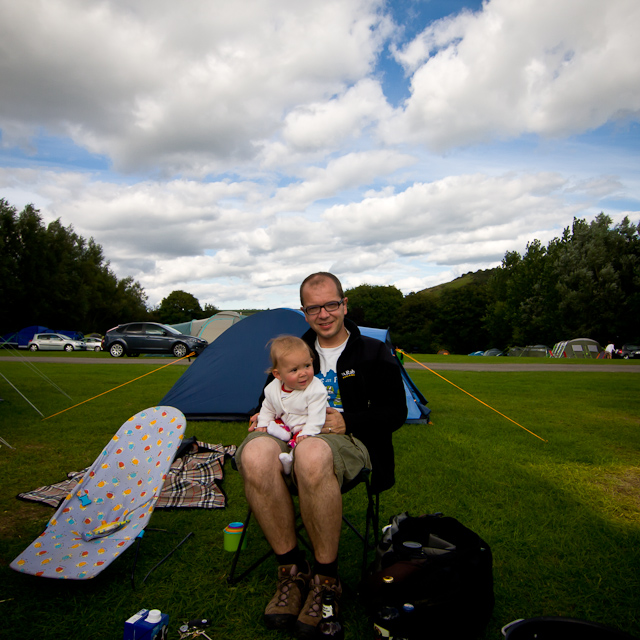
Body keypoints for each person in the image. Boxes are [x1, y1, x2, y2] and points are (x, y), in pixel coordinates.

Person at [235, 272, 407, 637]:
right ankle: (291, 572)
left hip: (349, 440)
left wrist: (349, 421)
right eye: (314, 307)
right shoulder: (293, 349)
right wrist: (260, 416)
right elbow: (270, 397)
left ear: (344, 305)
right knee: (255, 455)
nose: (324, 314)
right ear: (304, 311)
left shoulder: (373, 351)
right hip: (291, 432)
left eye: (331, 304)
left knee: (311, 453)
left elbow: (396, 412)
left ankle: (327, 580)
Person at [257, 335, 328, 475]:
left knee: (306, 446)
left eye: (307, 366)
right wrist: (263, 423)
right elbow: (267, 407)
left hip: (304, 425)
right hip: (286, 423)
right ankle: (281, 433)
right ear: (278, 375)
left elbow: (317, 415)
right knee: (273, 424)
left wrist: (308, 431)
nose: (303, 373)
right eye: (294, 370)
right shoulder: (272, 389)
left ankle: (290, 460)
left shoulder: (316, 389)